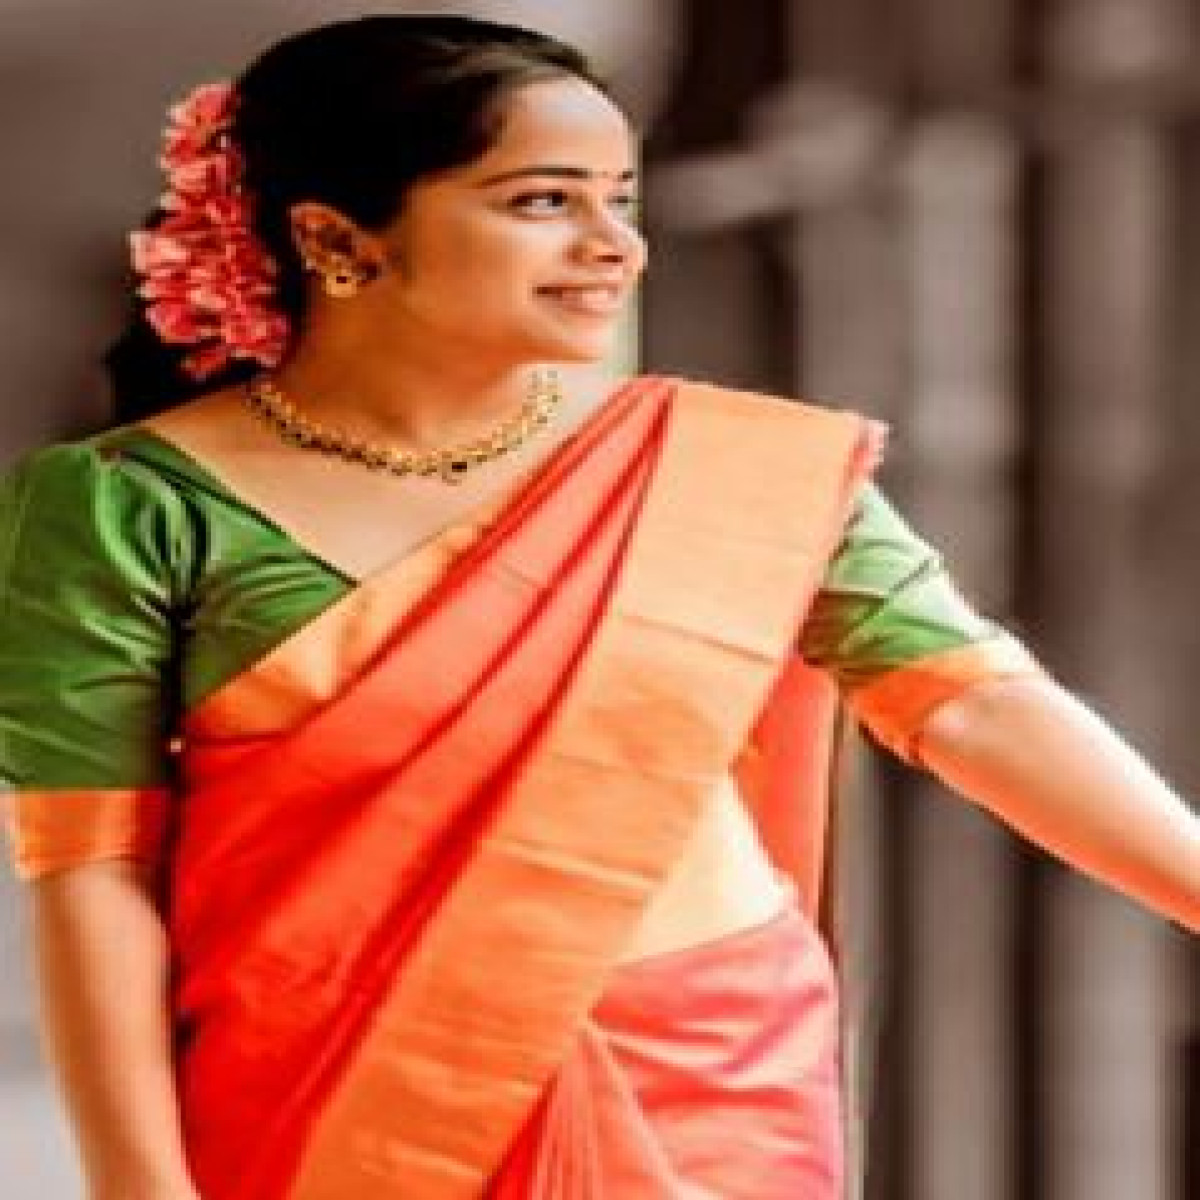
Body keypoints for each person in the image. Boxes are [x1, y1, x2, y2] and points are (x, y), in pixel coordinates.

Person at [0, 14, 1196, 1200]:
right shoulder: (132, 506)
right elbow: (94, 872)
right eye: (542, 201)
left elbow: (973, 703)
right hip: (346, 1096)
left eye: (620, 199)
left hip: (709, 1078)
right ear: (336, 238)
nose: (613, 245)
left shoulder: (722, 468)